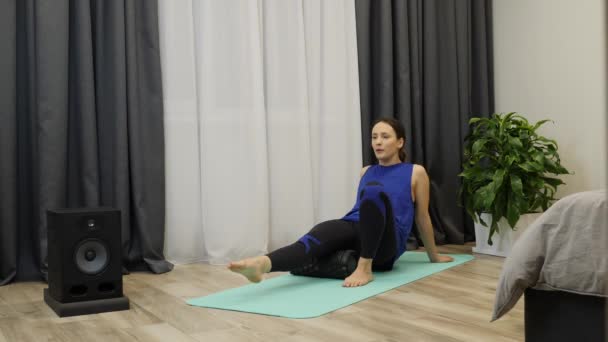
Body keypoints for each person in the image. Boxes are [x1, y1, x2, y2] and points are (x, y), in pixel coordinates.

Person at [229, 118, 454, 287]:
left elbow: (422, 216)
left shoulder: (415, 172)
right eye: (374, 136)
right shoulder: (366, 171)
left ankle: (365, 267)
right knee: (323, 231)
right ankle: (262, 264)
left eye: (385, 136)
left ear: (400, 142)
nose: (378, 142)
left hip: (387, 243)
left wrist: (433, 257)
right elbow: (363, 213)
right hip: (359, 229)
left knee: (374, 193)